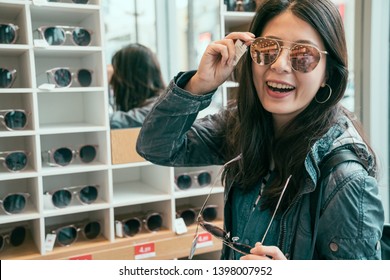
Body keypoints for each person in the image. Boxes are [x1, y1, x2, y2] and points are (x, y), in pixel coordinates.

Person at [136, 0, 384, 260]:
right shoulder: (241, 126)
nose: (279, 65)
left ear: (327, 75)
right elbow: (156, 147)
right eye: (268, 49)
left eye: (303, 56)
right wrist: (199, 84)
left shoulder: (346, 180)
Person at [108, 43, 166, 129]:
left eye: (115, 76)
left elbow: (108, 122)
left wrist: (102, 86)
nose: (113, 83)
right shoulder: (161, 101)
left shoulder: (159, 108)